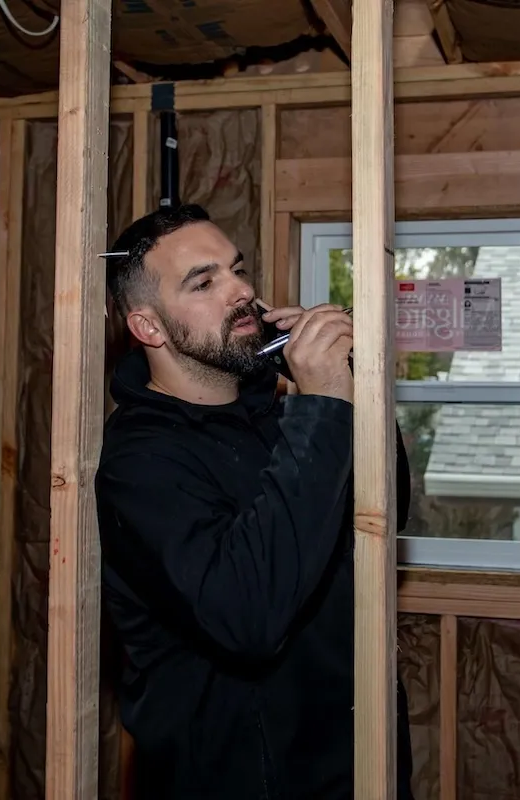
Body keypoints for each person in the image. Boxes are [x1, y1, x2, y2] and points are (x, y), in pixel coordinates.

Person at [95, 203, 414, 799]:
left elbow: (386, 508)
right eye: (204, 282)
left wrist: (351, 385)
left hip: (356, 767)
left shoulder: (280, 408)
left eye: (237, 270)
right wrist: (321, 409)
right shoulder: (141, 465)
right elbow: (247, 616)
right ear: (149, 328)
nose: (241, 290)